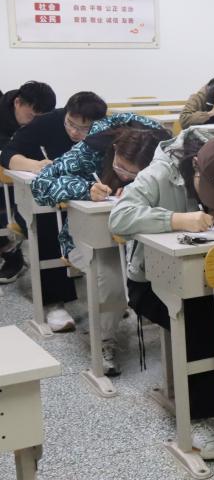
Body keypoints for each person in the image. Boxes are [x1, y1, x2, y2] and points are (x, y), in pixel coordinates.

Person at [109, 132, 214, 459]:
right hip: (151, 281)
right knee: (198, 318)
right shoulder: (160, 173)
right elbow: (119, 217)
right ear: (195, 167)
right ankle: (199, 418)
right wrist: (175, 219)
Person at [30, 114, 169, 375]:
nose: (125, 175)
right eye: (121, 167)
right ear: (114, 150)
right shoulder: (91, 148)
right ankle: (105, 341)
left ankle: (175, 344)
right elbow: (41, 183)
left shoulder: (164, 154)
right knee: (111, 278)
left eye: (135, 173)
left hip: (143, 236)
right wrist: (85, 189)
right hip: (89, 237)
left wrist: (141, 190)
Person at [2, 91, 108, 331]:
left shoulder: (106, 130)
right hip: (49, 201)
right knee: (49, 223)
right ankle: (55, 303)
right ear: (66, 113)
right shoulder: (47, 122)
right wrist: (35, 165)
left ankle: (110, 296)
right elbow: (8, 154)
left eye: (84, 129)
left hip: (90, 198)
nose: (75, 132)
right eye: (71, 124)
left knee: (109, 225)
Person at [0, 80, 57, 284]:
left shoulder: (44, 120)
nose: (35, 123)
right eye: (32, 116)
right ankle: (11, 253)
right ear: (17, 103)